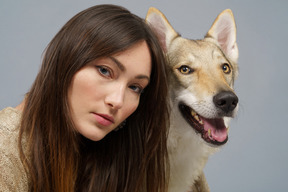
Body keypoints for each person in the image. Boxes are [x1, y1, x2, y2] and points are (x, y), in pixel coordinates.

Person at [0, 4, 170, 192]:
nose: (117, 101)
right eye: (105, 71)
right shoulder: (5, 153)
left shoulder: (102, 154)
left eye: (135, 87)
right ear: (67, 59)